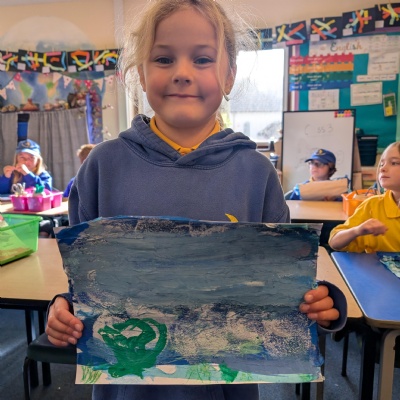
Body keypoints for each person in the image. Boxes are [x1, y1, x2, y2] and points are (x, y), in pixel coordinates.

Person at [46, 1, 346, 399]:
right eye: (163, 58)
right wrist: (64, 308)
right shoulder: (102, 167)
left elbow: (281, 284)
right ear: (141, 73)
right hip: (128, 388)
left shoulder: (256, 173)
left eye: (202, 59)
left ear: (229, 75)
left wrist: (322, 301)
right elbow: (86, 283)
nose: (182, 73)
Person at [329, 141, 400, 252]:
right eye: (382, 164)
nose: (382, 169)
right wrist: (357, 231)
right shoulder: (372, 205)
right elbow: (334, 242)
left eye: (394, 163)